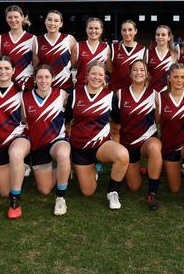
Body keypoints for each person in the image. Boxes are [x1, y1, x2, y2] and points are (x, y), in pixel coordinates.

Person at [66, 61, 129, 209]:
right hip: (80, 149)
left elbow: (117, 123)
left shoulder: (110, 96)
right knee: (88, 192)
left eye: (100, 74)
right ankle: (91, 169)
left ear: (105, 78)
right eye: (93, 74)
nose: (96, 77)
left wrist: (116, 141)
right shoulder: (74, 95)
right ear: (86, 75)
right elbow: (66, 122)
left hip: (101, 145)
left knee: (122, 155)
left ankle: (113, 192)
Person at [111, 59, 163, 210]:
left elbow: (158, 121)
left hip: (148, 139)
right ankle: (140, 168)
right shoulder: (120, 94)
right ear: (130, 73)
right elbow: (115, 122)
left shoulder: (155, 95)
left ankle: (152, 192)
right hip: (128, 143)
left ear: (147, 74)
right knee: (134, 187)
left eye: (142, 70)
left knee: (155, 148)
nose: (138, 72)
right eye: (135, 69)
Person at [0, 57, 30, 219]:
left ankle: (15, 201)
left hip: (17, 137)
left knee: (16, 153)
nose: (3, 72)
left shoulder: (21, 90)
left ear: (13, 71)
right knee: (3, 191)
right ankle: (19, 168)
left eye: (7, 68)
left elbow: (26, 116)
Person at [22, 65, 72, 216]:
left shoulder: (62, 95)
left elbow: (70, 116)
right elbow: (24, 120)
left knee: (63, 154)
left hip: (57, 140)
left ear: (53, 78)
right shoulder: (25, 98)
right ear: (35, 80)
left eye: (47, 77)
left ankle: (61, 198)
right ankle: (65, 170)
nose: (44, 80)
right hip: (38, 145)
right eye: (40, 77)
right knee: (44, 189)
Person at [157, 63, 184, 212]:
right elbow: (156, 121)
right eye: (175, 77)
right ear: (169, 78)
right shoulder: (160, 97)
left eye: (182, 77)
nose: (179, 80)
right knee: (174, 188)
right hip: (169, 146)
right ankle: (174, 167)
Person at [33, 10, 77, 91]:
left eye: (56, 21)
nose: (52, 23)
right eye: (49, 20)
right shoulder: (37, 41)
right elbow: (36, 67)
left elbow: (74, 64)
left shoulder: (69, 39)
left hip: (65, 88)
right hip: (44, 88)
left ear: (61, 24)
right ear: (45, 21)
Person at [0, 5, 35, 90]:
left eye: (16, 17)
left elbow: (36, 64)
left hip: (27, 84)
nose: (13, 20)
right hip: (7, 83)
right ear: (6, 19)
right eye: (10, 17)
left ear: (22, 17)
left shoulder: (32, 39)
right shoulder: (0, 39)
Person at [107, 20, 146, 91]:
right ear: (121, 31)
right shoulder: (112, 47)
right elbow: (109, 69)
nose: (127, 33)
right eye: (124, 30)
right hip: (115, 91)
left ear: (135, 31)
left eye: (130, 30)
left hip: (134, 92)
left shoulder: (143, 50)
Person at [74, 18, 110, 89]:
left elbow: (109, 69)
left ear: (101, 30)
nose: (93, 31)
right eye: (90, 28)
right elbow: (70, 67)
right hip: (81, 88)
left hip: (99, 88)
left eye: (96, 28)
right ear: (86, 29)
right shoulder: (77, 46)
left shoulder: (106, 47)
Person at [147, 25, 178, 92]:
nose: (160, 37)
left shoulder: (175, 54)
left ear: (169, 37)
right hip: (151, 92)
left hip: (168, 92)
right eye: (158, 34)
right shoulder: (148, 53)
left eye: (163, 35)